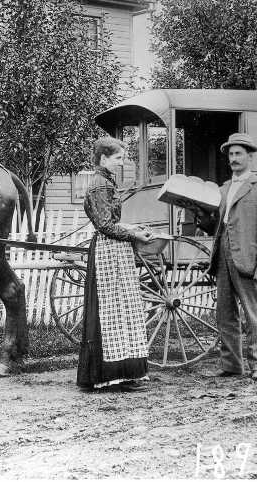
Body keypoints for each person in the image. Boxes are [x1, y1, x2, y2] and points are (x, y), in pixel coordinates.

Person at [193, 133, 257, 382]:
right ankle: (231, 365)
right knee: (224, 314)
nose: (233, 158)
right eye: (230, 154)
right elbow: (216, 228)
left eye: (238, 153)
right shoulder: (222, 189)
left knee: (253, 314)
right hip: (222, 256)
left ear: (250, 157)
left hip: (248, 259)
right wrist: (200, 215)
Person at [76, 137, 155, 392]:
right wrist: (133, 234)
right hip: (108, 254)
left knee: (121, 311)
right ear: (103, 158)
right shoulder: (100, 185)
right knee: (111, 312)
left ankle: (120, 373)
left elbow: (111, 222)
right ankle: (109, 375)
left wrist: (131, 228)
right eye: (118, 158)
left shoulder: (106, 182)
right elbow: (105, 226)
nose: (122, 163)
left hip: (114, 251)